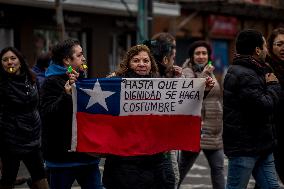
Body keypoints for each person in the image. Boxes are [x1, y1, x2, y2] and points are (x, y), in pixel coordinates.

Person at [102, 44, 173, 189]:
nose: (141, 64)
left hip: (153, 160)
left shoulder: (159, 86)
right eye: (136, 60)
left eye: (145, 61)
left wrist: (204, 91)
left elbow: (178, 107)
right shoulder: (115, 85)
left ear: (151, 64)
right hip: (124, 161)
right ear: (128, 63)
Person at [39, 39, 102, 189]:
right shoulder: (51, 82)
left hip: (87, 156)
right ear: (67, 60)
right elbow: (48, 115)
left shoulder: (81, 78)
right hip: (62, 159)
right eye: (80, 55)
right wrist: (66, 95)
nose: (84, 59)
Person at [223, 29, 281, 189]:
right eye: (265, 46)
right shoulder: (244, 75)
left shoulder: (256, 70)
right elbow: (264, 106)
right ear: (257, 50)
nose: (267, 50)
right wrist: (274, 86)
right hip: (244, 148)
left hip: (262, 146)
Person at [0, 47, 48, 189]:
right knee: (8, 180)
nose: (9, 62)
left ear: (20, 62)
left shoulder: (32, 79)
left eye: (13, 58)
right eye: (5, 60)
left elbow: (39, 105)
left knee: (41, 179)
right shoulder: (1, 84)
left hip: (32, 138)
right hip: (10, 141)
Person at [178, 40, 224, 189]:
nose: (201, 56)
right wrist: (205, 73)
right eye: (197, 53)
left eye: (204, 53)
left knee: (218, 170)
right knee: (180, 170)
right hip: (196, 129)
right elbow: (192, 93)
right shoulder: (186, 72)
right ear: (192, 56)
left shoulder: (211, 71)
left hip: (214, 129)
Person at [267, 27, 284, 184]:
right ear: (271, 46)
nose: (283, 48)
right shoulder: (266, 68)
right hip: (272, 133)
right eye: (279, 44)